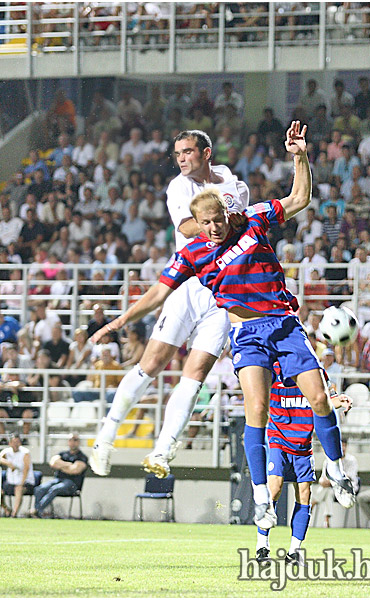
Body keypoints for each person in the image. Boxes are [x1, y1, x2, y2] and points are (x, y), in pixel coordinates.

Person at [91, 122, 355, 531]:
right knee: (256, 410)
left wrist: (299, 156)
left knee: (319, 399)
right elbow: (157, 294)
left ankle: (337, 468)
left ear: (226, 213)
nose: (213, 229)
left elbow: (300, 197)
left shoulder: (252, 219)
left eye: (217, 220)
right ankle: (262, 498)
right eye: (205, 223)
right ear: (195, 221)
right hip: (247, 333)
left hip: (284, 324)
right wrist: (121, 320)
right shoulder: (192, 250)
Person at [89, 128, 249, 482]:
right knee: (152, 363)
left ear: (206, 153)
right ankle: (105, 439)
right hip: (186, 284)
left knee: (195, 375)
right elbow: (191, 227)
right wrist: (223, 220)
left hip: (222, 294)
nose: (181, 159)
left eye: (188, 152)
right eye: (177, 153)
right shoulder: (178, 187)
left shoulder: (235, 186)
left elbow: (243, 226)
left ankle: (163, 450)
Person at [256, 366, 353, 565]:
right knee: (274, 487)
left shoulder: (316, 372)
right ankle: (262, 546)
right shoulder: (272, 369)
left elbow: (325, 401)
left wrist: (339, 399)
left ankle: (294, 551)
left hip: (303, 443)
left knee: (305, 493)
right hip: (278, 438)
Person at [31, 433, 88, 518]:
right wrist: (68, 465)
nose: (73, 442)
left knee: (55, 489)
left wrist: (61, 465)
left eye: (75, 440)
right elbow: (53, 463)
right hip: (58, 480)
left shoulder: (82, 457)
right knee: (40, 489)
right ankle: (38, 512)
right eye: (70, 440)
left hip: (72, 484)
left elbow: (75, 470)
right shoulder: (63, 454)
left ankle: (37, 510)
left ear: (79, 442)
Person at [310, 438, 359, 529]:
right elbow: (322, 479)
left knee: (329, 491)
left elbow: (347, 477)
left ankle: (313, 503)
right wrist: (326, 481)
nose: (342, 448)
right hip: (331, 488)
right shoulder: (329, 461)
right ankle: (326, 520)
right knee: (329, 492)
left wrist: (331, 480)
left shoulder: (351, 460)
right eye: (340, 446)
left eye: (344, 445)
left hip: (347, 489)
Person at [0, 433, 35, 517]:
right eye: (14, 442)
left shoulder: (25, 453)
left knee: (18, 489)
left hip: (26, 482)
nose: (16, 444)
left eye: (18, 442)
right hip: (11, 481)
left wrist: (21, 483)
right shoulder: (7, 451)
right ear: (10, 443)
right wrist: (8, 463)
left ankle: (14, 514)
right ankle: (6, 509)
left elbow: (26, 469)